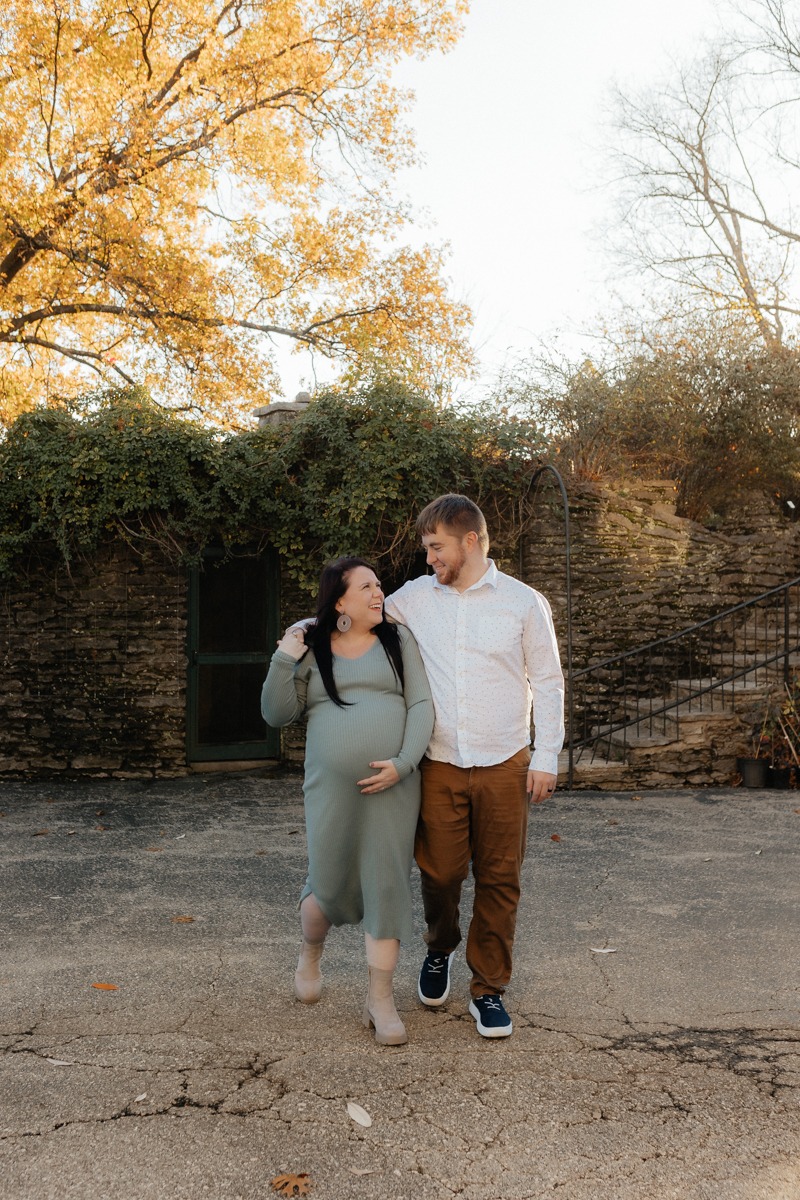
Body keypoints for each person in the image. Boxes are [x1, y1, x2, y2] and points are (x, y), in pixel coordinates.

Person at [383, 494, 564, 1039]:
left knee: (500, 879)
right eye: (426, 549)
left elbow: (548, 682)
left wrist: (547, 755)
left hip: (507, 762)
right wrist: (306, 629)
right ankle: (440, 946)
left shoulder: (525, 603)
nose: (429, 558)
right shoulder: (414, 597)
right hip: (438, 763)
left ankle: (488, 989)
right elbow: (359, 612)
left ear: (470, 541)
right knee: (439, 873)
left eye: (436, 547)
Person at [261, 557, 434, 1047]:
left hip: (394, 788)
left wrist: (402, 764)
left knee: (385, 886)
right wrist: (284, 657)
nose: (379, 593)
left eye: (379, 585)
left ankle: (379, 1000)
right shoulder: (314, 649)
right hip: (331, 789)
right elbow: (276, 714)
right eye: (366, 587)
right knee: (328, 884)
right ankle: (310, 953)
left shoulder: (399, 642)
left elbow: (421, 704)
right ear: (340, 601)